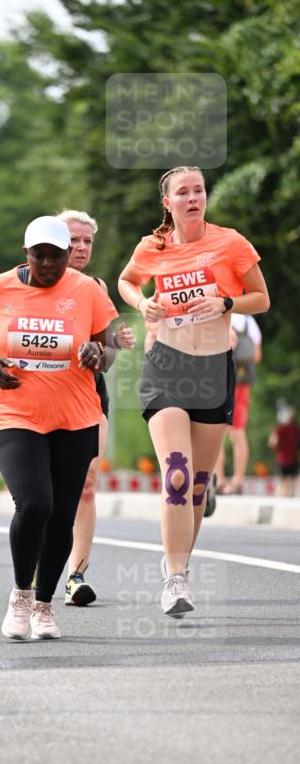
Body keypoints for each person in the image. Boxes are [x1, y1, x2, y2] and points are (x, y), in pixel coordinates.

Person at [118, 166, 270, 617]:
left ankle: (178, 562)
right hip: (167, 365)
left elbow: (261, 298)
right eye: (183, 192)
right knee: (177, 476)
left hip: (213, 370)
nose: (193, 198)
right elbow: (127, 281)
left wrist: (226, 302)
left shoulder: (231, 243)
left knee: (199, 487)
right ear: (167, 202)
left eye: (199, 190)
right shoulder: (153, 246)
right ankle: (175, 579)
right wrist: (143, 303)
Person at [0, 215, 117, 640]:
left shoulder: (87, 290)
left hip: (75, 416)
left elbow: (109, 348)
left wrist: (97, 354)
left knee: (62, 514)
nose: (48, 264)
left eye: (56, 256)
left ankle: (45, 606)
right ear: (25, 254)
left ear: (68, 255)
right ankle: (20, 596)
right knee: (34, 504)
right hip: (15, 414)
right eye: (39, 256)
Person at [56, 209, 135, 606]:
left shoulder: (96, 288)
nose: (81, 247)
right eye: (74, 240)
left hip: (88, 398)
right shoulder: (28, 283)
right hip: (40, 401)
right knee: (46, 493)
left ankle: (76, 576)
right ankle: (36, 569)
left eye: (87, 241)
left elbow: (107, 355)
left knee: (86, 485)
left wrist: (108, 347)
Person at [214, 313, 262, 494]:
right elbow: (256, 356)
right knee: (238, 432)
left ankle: (219, 479)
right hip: (241, 383)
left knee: (216, 430)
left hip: (219, 380)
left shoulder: (218, 314)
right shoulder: (249, 321)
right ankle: (238, 480)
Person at [268, 405, 299, 497]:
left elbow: (272, 443)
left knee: (282, 483)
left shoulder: (279, 429)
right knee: (291, 486)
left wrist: (276, 450)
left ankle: (282, 495)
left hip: (282, 460)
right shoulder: (296, 430)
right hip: (293, 459)